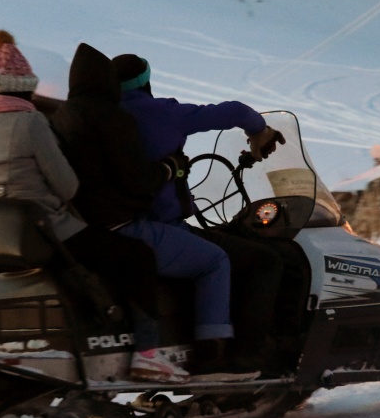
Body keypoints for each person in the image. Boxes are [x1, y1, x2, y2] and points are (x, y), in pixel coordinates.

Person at [0, 31, 177, 382]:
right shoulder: (31, 122)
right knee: (137, 256)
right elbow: (67, 185)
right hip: (47, 233)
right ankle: (147, 353)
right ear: (24, 89)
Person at [51, 43, 239, 381]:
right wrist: (170, 167)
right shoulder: (112, 118)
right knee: (215, 260)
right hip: (122, 225)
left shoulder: (60, 118)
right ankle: (213, 355)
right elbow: (138, 181)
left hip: (79, 228)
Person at [112, 52, 297, 376]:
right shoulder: (163, 113)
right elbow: (235, 111)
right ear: (146, 82)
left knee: (227, 246)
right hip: (158, 228)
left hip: (128, 226)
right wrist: (260, 132)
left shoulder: (105, 118)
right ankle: (239, 357)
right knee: (263, 260)